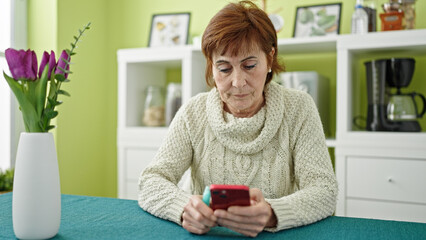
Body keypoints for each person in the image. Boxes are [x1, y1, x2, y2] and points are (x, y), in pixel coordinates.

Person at [138, 0, 338, 237]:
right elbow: (151, 181)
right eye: (224, 68)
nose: (238, 82)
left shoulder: (299, 108)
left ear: (269, 58)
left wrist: (272, 213)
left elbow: (324, 190)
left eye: (249, 65)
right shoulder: (193, 113)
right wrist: (183, 208)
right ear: (211, 66)